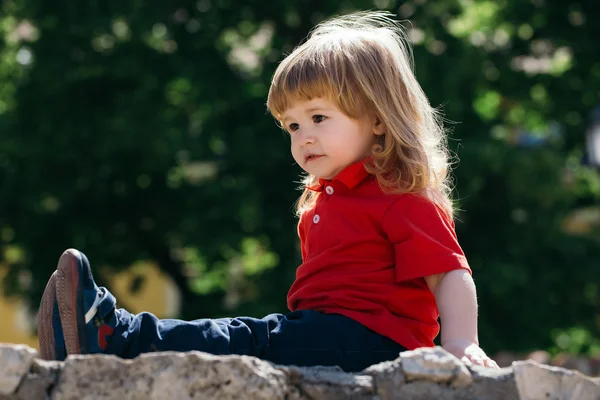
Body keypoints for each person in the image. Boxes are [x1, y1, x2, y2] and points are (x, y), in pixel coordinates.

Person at [37, 11, 498, 372]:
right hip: (327, 331)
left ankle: (118, 337)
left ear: (377, 118)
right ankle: (108, 336)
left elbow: (450, 274)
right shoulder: (328, 198)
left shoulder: (402, 196)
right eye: (293, 125)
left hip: (371, 341)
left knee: (248, 338)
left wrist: (461, 343)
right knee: (256, 336)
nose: (304, 137)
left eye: (319, 118)